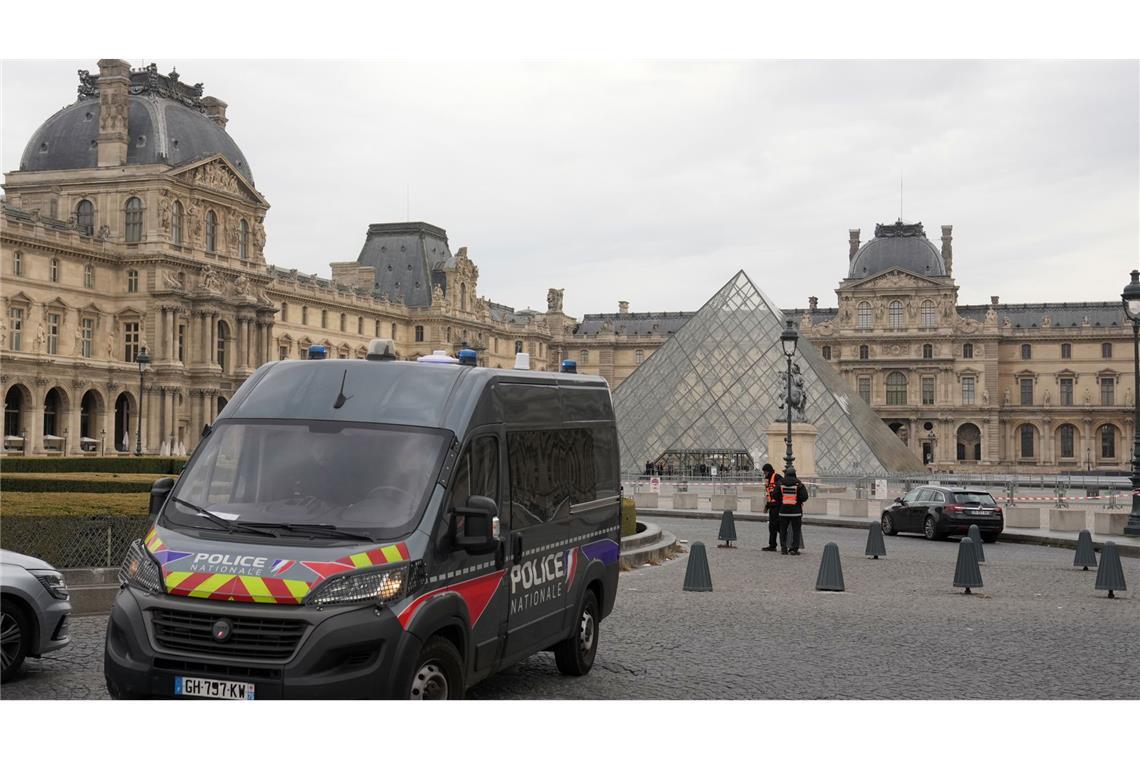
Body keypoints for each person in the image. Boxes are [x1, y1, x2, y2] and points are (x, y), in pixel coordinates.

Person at [778, 467, 809, 556]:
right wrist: (798, 500)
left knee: (783, 530)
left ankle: (784, 548)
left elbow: (775, 495)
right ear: (794, 474)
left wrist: (782, 499)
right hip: (796, 512)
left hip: (783, 511)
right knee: (796, 531)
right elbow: (805, 497)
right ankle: (794, 549)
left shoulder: (781, 483)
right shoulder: (799, 484)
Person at [760, 463, 782, 551]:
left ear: (769, 471)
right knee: (772, 527)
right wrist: (767, 506)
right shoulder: (767, 480)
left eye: (765, 472)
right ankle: (772, 545)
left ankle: (785, 544)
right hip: (772, 506)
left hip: (778, 506)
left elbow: (781, 487)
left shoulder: (777, 477)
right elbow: (769, 495)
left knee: (778, 527)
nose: (764, 474)